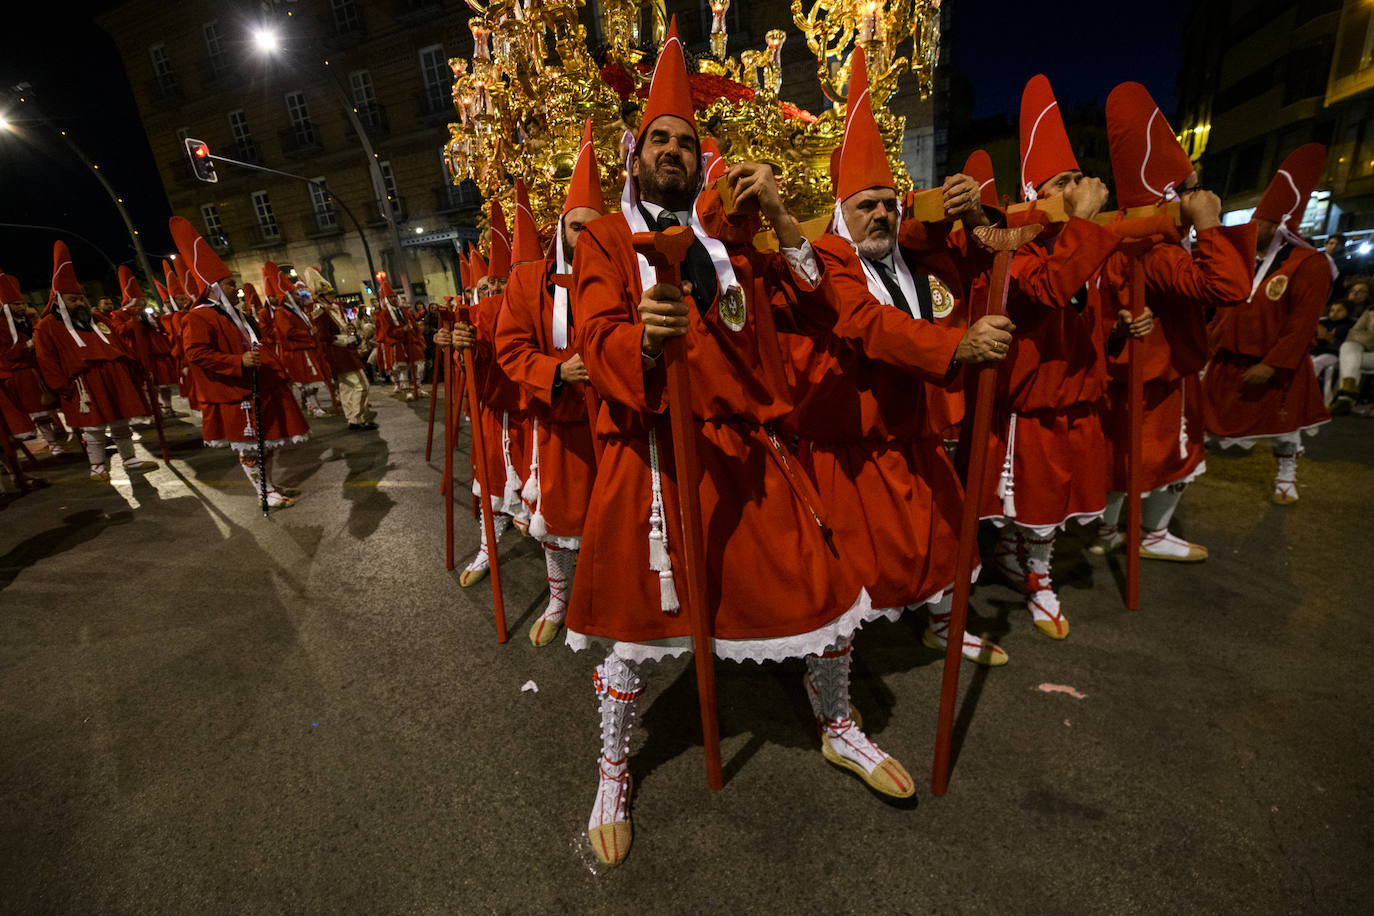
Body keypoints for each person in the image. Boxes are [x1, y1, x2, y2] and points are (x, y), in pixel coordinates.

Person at [567, 19, 913, 867]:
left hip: (744, 453)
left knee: (825, 601)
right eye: (661, 141)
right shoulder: (606, 238)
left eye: (687, 142)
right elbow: (596, 329)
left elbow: (814, 297)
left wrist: (787, 218)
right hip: (651, 454)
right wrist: (640, 342)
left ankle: (837, 723)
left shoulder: (736, 240)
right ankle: (614, 767)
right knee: (639, 640)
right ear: (634, 153)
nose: (674, 152)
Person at [791, 48, 1015, 666]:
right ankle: (832, 680)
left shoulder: (912, 253)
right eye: (867, 205)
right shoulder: (833, 261)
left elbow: (981, 254)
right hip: (854, 447)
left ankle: (942, 627)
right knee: (854, 573)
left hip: (918, 436)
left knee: (949, 544)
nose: (883, 214)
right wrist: (956, 345)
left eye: (890, 202)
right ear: (841, 215)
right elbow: (863, 324)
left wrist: (965, 210)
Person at [971, 75, 1122, 639]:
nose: (1079, 188)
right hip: (1034, 399)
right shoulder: (1017, 245)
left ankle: (1029, 565)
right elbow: (1054, 289)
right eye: (1063, 183)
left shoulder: (1093, 238)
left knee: (1056, 503)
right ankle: (1034, 576)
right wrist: (1080, 221)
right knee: (1032, 503)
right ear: (1037, 194)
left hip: (1079, 395)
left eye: (1079, 178)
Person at [1088, 82, 1254, 562]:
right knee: (1165, 458)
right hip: (1158, 377)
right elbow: (1228, 289)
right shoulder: (1157, 251)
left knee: (1126, 458)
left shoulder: (1135, 238)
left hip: (1142, 370)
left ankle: (1106, 532)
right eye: (1190, 188)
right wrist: (1208, 225)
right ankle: (1150, 533)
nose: (1200, 193)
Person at [495, 151, 602, 647]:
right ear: (561, 230)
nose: (588, 237)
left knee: (621, 520)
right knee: (559, 521)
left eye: (598, 228)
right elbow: (511, 347)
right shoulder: (527, 278)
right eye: (579, 227)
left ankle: (610, 599)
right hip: (560, 423)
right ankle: (560, 599)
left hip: (617, 423)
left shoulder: (622, 275)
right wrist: (557, 371)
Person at [1201, 144, 1332, 503]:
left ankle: (1286, 477)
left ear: (1280, 225)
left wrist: (1273, 363)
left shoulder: (1310, 264)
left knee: (1284, 424)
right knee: (1207, 413)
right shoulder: (1244, 258)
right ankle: (1186, 467)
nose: (1251, 228)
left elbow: (1302, 324)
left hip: (1274, 361)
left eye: (1259, 222)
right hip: (1229, 354)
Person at [170, 217, 308, 508]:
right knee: (251, 448)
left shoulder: (238, 314)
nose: (237, 289)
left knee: (266, 444)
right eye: (230, 284)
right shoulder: (198, 316)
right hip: (234, 392)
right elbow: (195, 354)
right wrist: (238, 361)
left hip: (256, 387)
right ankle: (263, 493)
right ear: (211, 288)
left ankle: (268, 485)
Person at [453, 199, 530, 587]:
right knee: (490, 485)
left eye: (501, 284)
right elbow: (474, 366)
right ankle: (488, 548)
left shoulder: (533, 307)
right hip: (491, 414)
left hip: (530, 415)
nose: (494, 292)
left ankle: (561, 590)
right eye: (486, 286)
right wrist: (458, 346)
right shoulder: (478, 317)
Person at [33, 241, 156, 480]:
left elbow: (120, 344)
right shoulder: (46, 327)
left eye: (81, 299)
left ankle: (130, 459)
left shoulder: (98, 318)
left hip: (116, 377)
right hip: (84, 384)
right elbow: (46, 360)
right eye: (73, 300)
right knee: (94, 427)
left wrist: (137, 368)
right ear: (59, 301)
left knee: (121, 422)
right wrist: (63, 387)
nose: (79, 303)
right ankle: (98, 467)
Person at [0, 268, 67, 455]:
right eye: (16, 305)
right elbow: (6, 355)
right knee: (40, 412)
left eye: (22, 303)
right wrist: (29, 344)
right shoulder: (2, 326)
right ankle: (51, 441)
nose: (21, 307)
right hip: (22, 374)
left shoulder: (30, 320)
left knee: (59, 405)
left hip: (42, 368)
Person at [307, 267, 376, 430]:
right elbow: (323, 336)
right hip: (338, 354)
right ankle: (357, 418)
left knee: (347, 389)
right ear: (321, 296)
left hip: (346, 353)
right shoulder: (320, 312)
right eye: (329, 294)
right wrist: (344, 339)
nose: (333, 296)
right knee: (361, 385)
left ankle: (354, 419)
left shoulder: (332, 309)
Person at [108, 265, 179, 418]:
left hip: (157, 352)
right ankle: (153, 409)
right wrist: (133, 320)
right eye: (138, 301)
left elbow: (161, 326)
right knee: (148, 385)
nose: (142, 303)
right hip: (139, 354)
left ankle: (167, 407)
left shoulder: (149, 312)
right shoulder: (119, 315)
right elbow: (119, 331)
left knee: (164, 383)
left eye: (142, 301)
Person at [265, 261, 332, 418]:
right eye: (295, 294)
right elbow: (288, 331)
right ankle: (314, 407)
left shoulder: (299, 310)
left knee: (313, 380)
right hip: (297, 352)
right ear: (288, 296)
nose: (299, 296)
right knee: (306, 382)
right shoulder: (282, 312)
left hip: (307, 349)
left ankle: (312, 405)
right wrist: (308, 333)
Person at [374, 279, 425, 400]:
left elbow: (414, 325)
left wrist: (418, 336)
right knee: (403, 369)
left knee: (420, 365)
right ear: (387, 300)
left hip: (411, 341)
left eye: (395, 296)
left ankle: (418, 387)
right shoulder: (384, 314)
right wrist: (403, 330)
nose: (394, 299)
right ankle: (407, 391)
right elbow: (388, 332)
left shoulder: (404, 310)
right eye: (390, 297)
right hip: (398, 343)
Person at [1330, 279, 1374, 414]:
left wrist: (1368, 337)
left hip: (1368, 351)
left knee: (1349, 359)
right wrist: (1371, 337)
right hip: (1370, 354)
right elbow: (1353, 333)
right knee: (1348, 347)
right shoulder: (1371, 311)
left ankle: (1344, 399)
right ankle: (1347, 392)